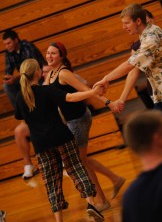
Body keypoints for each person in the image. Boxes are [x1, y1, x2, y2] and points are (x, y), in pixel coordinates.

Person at [15, 58, 104, 222]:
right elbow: (70, 97)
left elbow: (22, 119)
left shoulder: (21, 97)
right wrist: (92, 92)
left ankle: (58, 219)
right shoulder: (47, 90)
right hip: (61, 136)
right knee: (76, 169)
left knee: (51, 182)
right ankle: (91, 204)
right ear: (38, 73)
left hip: (40, 145)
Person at [45, 42, 126, 211]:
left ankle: (102, 200)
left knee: (80, 162)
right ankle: (115, 179)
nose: (49, 56)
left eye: (53, 53)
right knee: (83, 160)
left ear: (61, 56)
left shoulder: (64, 73)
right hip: (70, 121)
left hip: (79, 120)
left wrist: (108, 103)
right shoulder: (51, 74)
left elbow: (85, 89)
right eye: (48, 53)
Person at [94, 3, 162, 138]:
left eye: (126, 23)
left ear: (138, 21)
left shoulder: (152, 37)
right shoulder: (144, 37)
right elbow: (133, 69)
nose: (123, 27)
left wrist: (105, 79)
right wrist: (122, 98)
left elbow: (130, 65)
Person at [14, 63, 52, 179]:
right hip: (39, 125)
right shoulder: (27, 91)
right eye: (43, 72)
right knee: (19, 130)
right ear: (38, 73)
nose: (45, 74)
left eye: (47, 72)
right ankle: (28, 165)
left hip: (56, 121)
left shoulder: (59, 79)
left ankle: (63, 158)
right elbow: (22, 117)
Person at [2, 29, 45, 109]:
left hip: (39, 75)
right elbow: (8, 70)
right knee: (6, 86)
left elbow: (32, 68)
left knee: (33, 80)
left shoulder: (27, 46)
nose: (7, 46)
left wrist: (15, 77)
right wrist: (7, 78)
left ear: (16, 40)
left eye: (9, 43)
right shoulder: (9, 53)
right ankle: (22, 113)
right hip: (24, 78)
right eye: (5, 44)